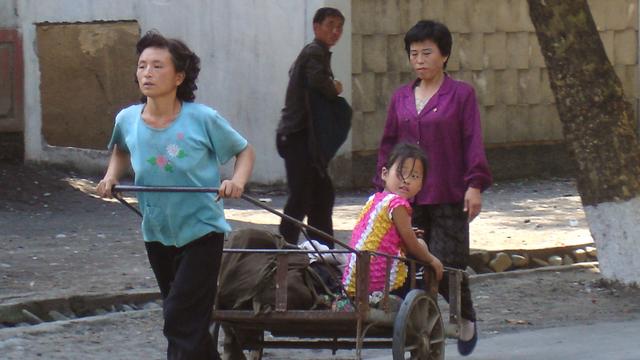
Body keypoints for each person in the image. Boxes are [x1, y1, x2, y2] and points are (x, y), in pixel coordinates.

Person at [96, 30, 255, 360]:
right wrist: (111, 176)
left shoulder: (202, 118)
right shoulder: (127, 119)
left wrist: (236, 182)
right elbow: (122, 150)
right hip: (156, 231)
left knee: (179, 315)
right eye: (142, 66)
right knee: (188, 319)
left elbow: (244, 151)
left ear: (179, 76)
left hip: (201, 231)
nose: (147, 73)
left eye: (157, 66)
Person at [375, 20, 492, 356]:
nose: (420, 60)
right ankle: (413, 323)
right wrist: (382, 186)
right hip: (407, 195)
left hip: (448, 191)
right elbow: (388, 144)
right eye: (414, 54)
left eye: (427, 52)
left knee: (447, 262)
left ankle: (465, 315)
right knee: (409, 260)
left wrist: (475, 184)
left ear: (444, 55)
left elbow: (473, 141)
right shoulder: (400, 97)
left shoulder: (461, 95)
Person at [276, 7, 345, 248]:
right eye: (330, 24)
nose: (335, 31)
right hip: (297, 136)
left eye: (339, 27)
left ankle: (322, 252)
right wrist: (334, 87)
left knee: (321, 196)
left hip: (304, 138)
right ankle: (283, 250)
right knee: (302, 197)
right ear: (316, 26)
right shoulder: (315, 51)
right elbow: (317, 81)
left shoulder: (316, 52)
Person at [343, 143, 444, 297]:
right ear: (384, 173)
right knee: (421, 246)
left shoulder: (375, 200)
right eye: (401, 173)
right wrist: (432, 260)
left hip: (354, 278)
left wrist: (408, 233)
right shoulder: (397, 204)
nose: (406, 180)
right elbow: (411, 244)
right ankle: (420, 292)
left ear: (421, 185)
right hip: (379, 280)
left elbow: (382, 233)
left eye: (414, 176)